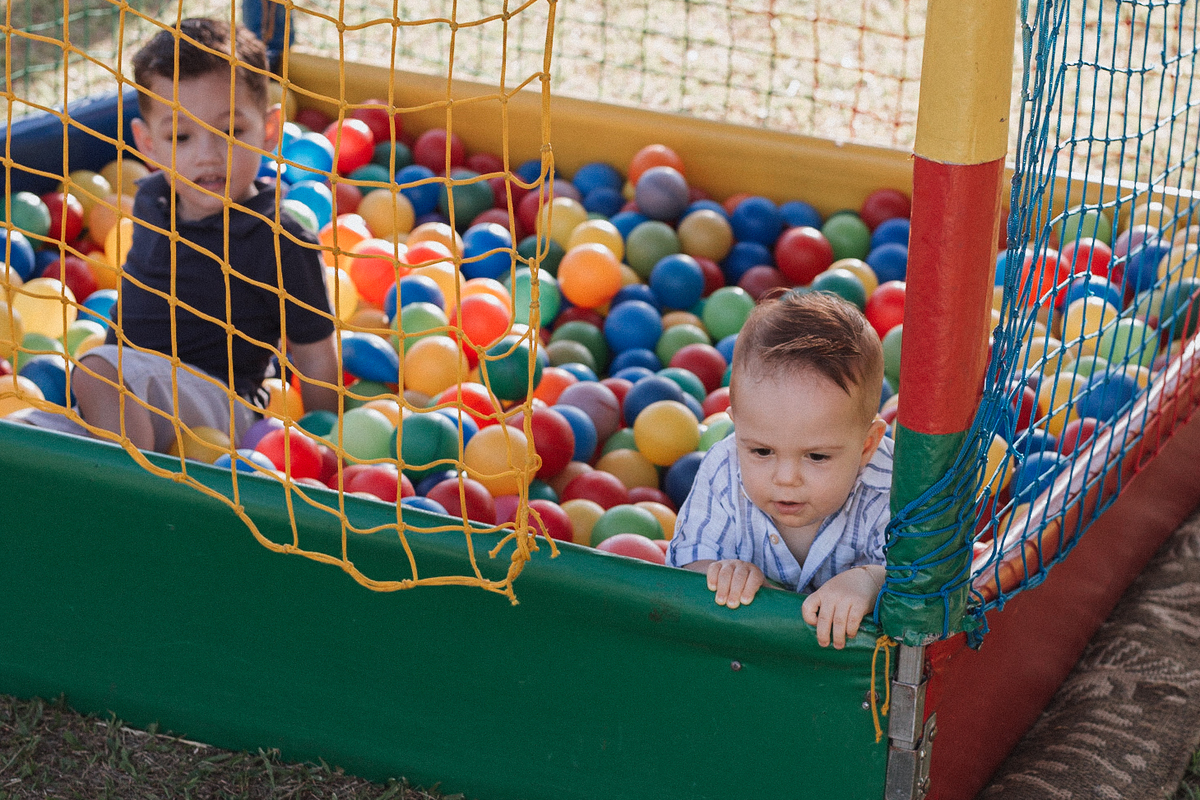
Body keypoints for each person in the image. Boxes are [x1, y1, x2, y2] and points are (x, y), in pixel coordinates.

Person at [67, 17, 339, 452]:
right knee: (24, 423)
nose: (208, 156)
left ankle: (130, 499)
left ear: (269, 131)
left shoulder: (279, 237)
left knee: (97, 372)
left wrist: (330, 449)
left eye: (231, 131)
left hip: (220, 403)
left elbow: (315, 354)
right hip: (130, 390)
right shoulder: (151, 201)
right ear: (148, 144)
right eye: (181, 136)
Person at [666, 290, 893, 649]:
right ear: (736, 427)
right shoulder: (724, 470)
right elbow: (684, 567)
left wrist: (868, 581)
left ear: (867, 445)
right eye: (762, 450)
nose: (786, 478)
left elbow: (921, 578)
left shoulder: (889, 487)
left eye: (816, 457)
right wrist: (720, 572)